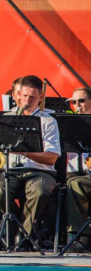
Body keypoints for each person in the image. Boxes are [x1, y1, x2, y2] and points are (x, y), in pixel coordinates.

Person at [0, 75, 60, 247]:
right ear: (18, 94)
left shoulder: (48, 121)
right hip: (10, 171)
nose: (27, 101)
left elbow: (51, 158)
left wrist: (24, 152)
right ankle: (18, 226)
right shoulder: (6, 118)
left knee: (39, 191)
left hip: (40, 171)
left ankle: (23, 235)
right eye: (25, 96)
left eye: (32, 97)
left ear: (40, 97)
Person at [66, 87, 91, 250]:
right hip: (74, 171)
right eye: (73, 102)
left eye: (81, 101)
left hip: (86, 174)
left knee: (75, 184)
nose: (77, 105)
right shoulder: (69, 125)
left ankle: (80, 237)